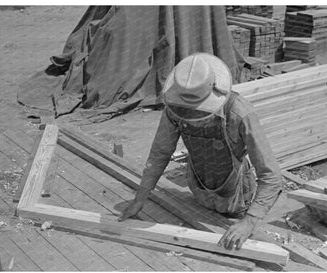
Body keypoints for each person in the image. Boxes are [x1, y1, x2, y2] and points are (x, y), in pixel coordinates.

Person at [118, 53, 283, 250]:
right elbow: (160, 153)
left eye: (200, 112)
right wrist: (140, 198)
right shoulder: (176, 108)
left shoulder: (239, 114)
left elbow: (272, 176)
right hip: (199, 190)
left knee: (233, 249)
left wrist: (249, 221)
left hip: (236, 198)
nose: (192, 117)